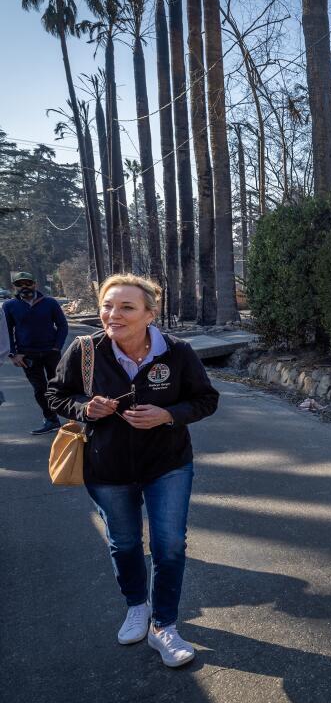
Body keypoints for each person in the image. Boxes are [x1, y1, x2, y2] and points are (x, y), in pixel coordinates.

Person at [46, 274, 219, 667]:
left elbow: (206, 399)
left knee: (169, 545)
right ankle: (136, 606)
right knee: (123, 543)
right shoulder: (85, 350)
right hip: (107, 468)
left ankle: (164, 626)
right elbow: (56, 393)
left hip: (168, 465)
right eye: (108, 305)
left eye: (126, 307)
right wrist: (84, 408)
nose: (113, 314)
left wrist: (168, 415)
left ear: (150, 314)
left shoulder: (177, 351)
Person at [3, 272, 69, 433]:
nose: (24, 287)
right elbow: (6, 331)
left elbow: (62, 325)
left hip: (51, 352)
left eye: (28, 283)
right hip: (27, 355)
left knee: (59, 387)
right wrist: (13, 353)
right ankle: (51, 420)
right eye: (20, 284)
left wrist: (57, 347)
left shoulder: (50, 303)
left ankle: (69, 419)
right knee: (39, 389)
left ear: (35, 284)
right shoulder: (10, 306)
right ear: (15, 287)